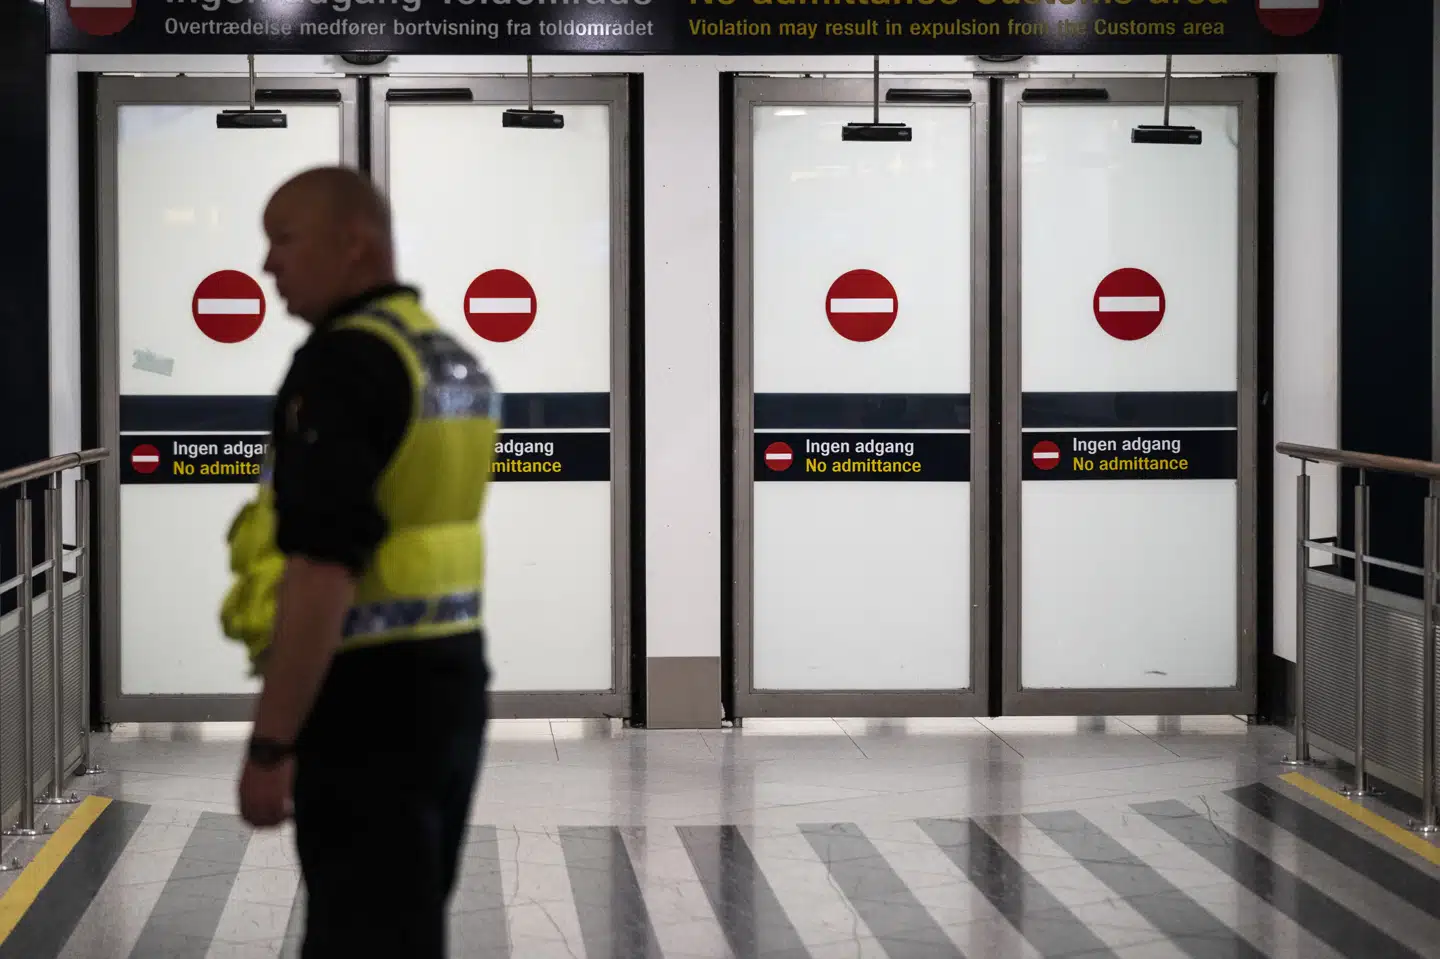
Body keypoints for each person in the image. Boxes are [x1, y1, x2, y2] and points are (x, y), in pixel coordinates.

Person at [219, 165, 499, 958]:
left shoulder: (344, 364)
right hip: (448, 681)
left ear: (353, 244)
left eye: (283, 240)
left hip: (365, 700)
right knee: (405, 923)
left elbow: (322, 569)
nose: (268, 264)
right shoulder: (442, 356)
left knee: (358, 934)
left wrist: (272, 741)